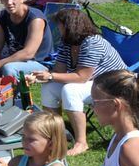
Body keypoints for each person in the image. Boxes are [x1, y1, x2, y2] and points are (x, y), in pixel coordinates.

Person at [29, 8, 127, 156]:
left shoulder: (93, 43)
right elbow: (58, 71)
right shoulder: (67, 43)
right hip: (92, 82)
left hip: (112, 85)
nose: (59, 29)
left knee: (70, 90)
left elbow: (81, 77)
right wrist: (39, 77)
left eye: (61, 26)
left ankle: (81, 142)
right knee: (48, 87)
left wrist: (51, 76)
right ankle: (57, 135)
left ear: (70, 26)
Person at [0, 0, 54, 79]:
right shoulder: (2, 16)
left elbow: (28, 53)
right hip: (16, 59)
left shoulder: (35, 18)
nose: (9, 2)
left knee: (8, 69)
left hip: (39, 62)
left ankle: (13, 93)